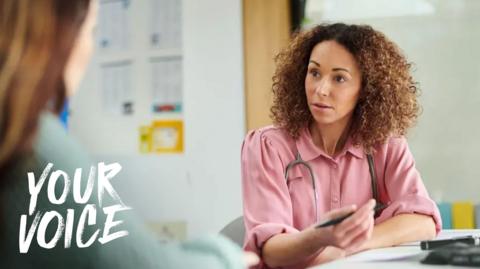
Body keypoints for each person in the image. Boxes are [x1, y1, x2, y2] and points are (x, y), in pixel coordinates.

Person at [0, 0, 257, 268]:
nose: (88, 48)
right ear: (60, 35)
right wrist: (227, 258)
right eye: (90, 31)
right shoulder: (31, 145)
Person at [241, 23, 442, 269]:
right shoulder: (268, 146)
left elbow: (423, 222)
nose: (321, 89)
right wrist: (319, 238)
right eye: (314, 73)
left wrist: (348, 244)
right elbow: (271, 252)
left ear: (366, 89)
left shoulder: (387, 145)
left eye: (339, 78)